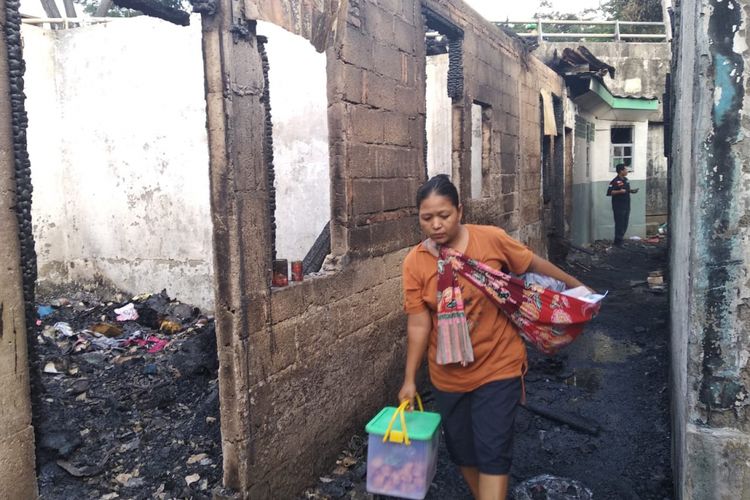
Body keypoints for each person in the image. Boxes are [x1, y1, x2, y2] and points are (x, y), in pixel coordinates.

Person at [398, 174, 589, 500]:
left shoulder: (491, 241)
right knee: (463, 454)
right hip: (448, 375)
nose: (436, 225)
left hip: (498, 365)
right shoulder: (415, 263)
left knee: (492, 452)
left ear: (460, 210)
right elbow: (419, 323)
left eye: (444, 215)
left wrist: (576, 286)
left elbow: (532, 262)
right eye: (427, 218)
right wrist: (409, 379)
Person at [606, 163, 639, 246]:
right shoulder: (614, 181)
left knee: (625, 223)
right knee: (619, 223)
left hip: (626, 204)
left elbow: (626, 190)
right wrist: (619, 192)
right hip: (618, 206)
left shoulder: (626, 179)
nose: (627, 171)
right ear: (621, 171)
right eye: (625, 169)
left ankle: (620, 239)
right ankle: (618, 242)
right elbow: (610, 192)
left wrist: (631, 191)